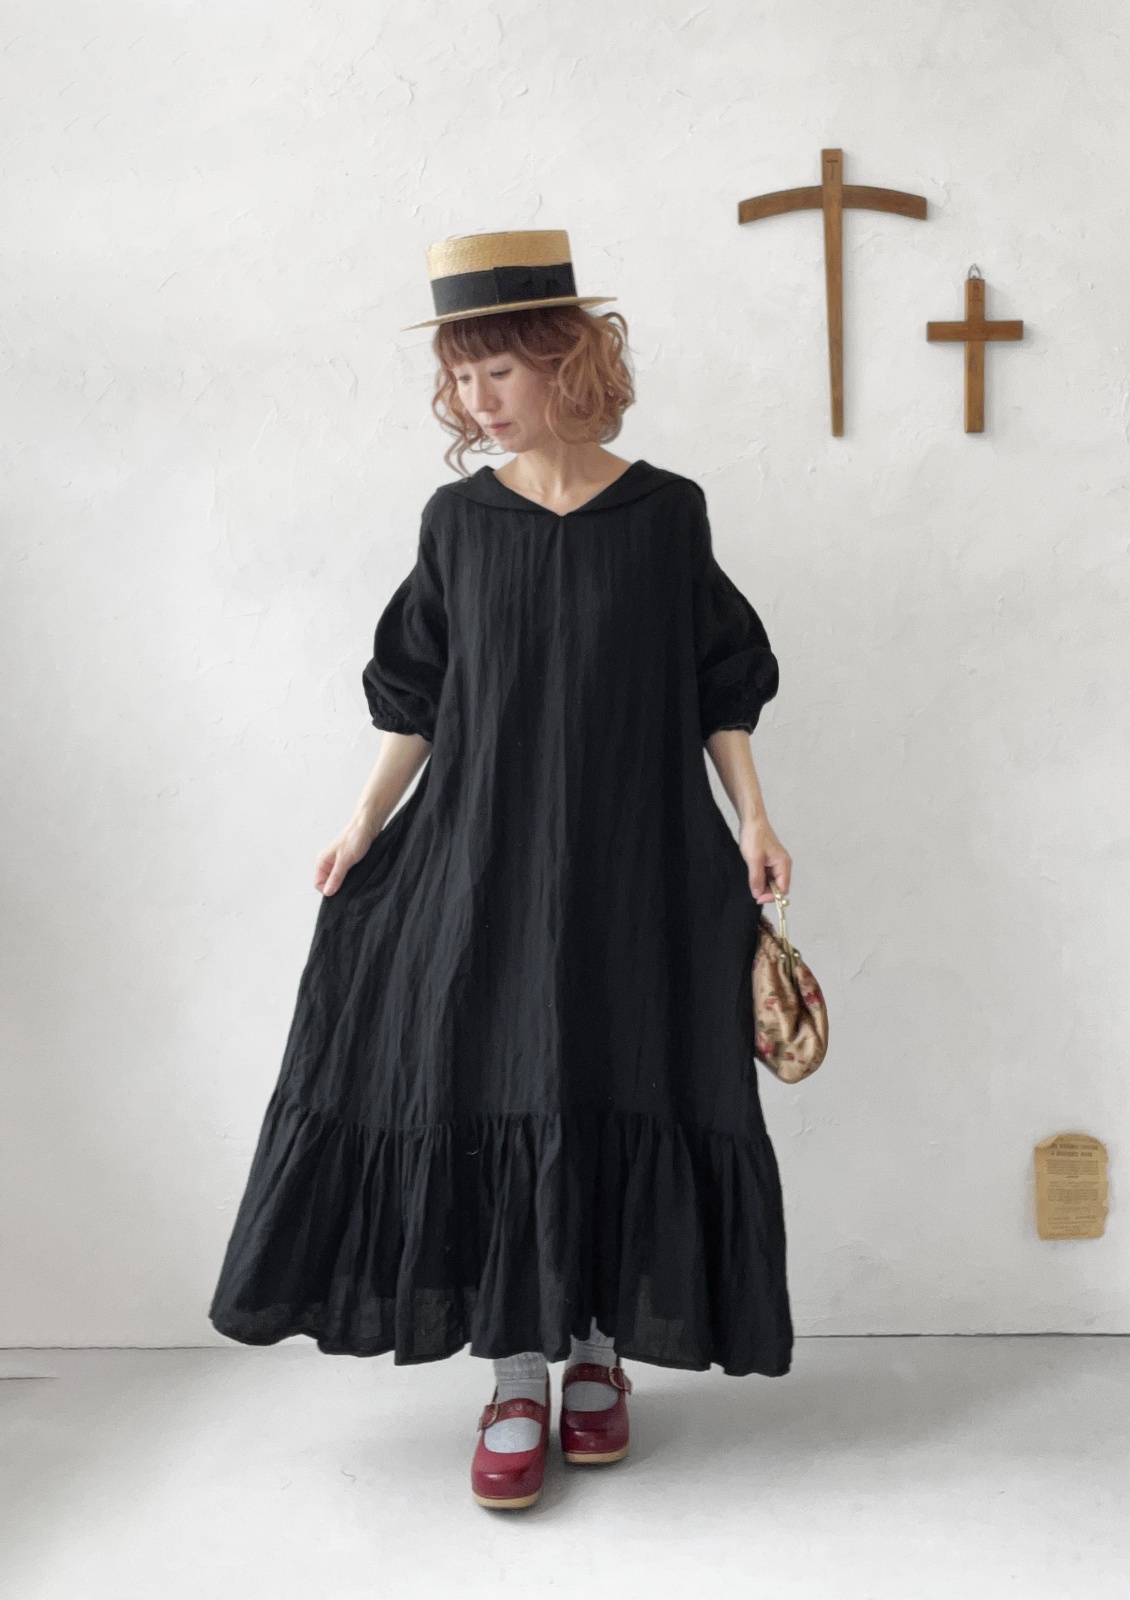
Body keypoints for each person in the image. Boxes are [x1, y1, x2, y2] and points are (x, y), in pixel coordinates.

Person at [208, 229, 795, 1511]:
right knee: (497, 1074)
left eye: (497, 371)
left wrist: (754, 818)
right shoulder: (458, 523)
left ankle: (599, 1356)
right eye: (460, 377)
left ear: (566, 360)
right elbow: (417, 693)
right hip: (483, 858)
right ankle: (515, 1372)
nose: (475, 399)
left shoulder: (667, 514)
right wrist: (363, 821)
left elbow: (719, 684)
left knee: (622, 1065)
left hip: (639, 858)